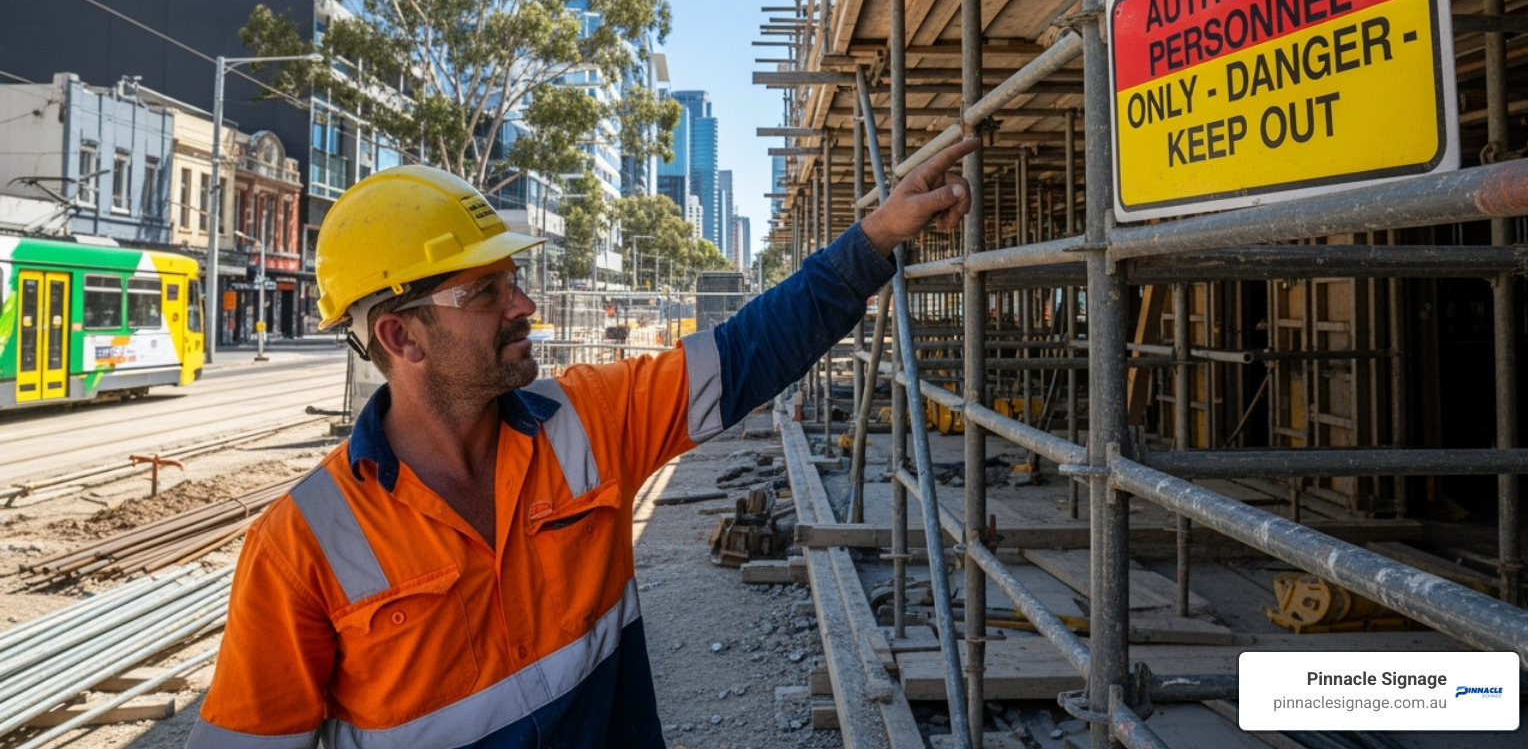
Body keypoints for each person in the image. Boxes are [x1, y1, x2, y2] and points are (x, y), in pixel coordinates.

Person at [186, 137, 980, 749]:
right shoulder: (304, 546)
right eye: (487, 290)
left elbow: (746, 354)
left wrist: (876, 236)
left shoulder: (586, 424)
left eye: (512, 279)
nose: (524, 303)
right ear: (401, 335)